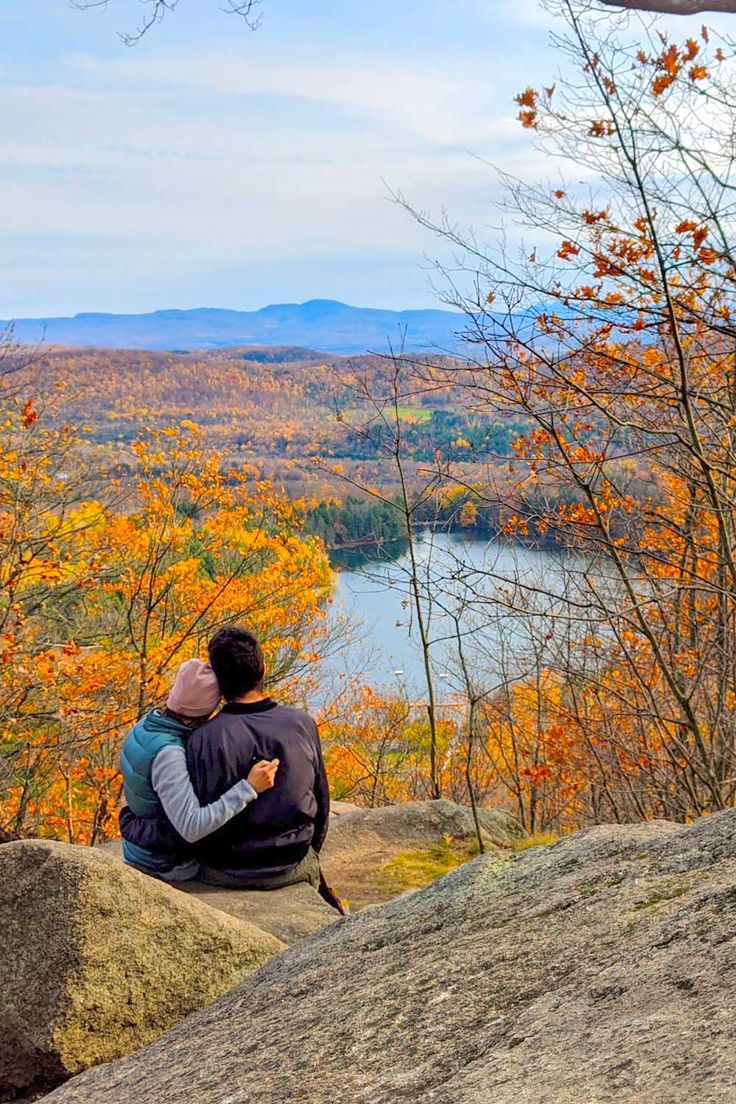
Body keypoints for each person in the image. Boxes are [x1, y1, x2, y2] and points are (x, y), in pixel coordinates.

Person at [184, 627, 330, 892]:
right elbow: (321, 804)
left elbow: (197, 822)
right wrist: (311, 853)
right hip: (291, 862)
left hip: (224, 870)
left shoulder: (201, 739)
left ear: (219, 681)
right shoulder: (301, 723)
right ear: (263, 669)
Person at [119, 657, 280, 881]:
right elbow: (191, 827)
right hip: (164, 862)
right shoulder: (169, 755)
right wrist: (249, 787)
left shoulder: (147, 725)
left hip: (140, 846)